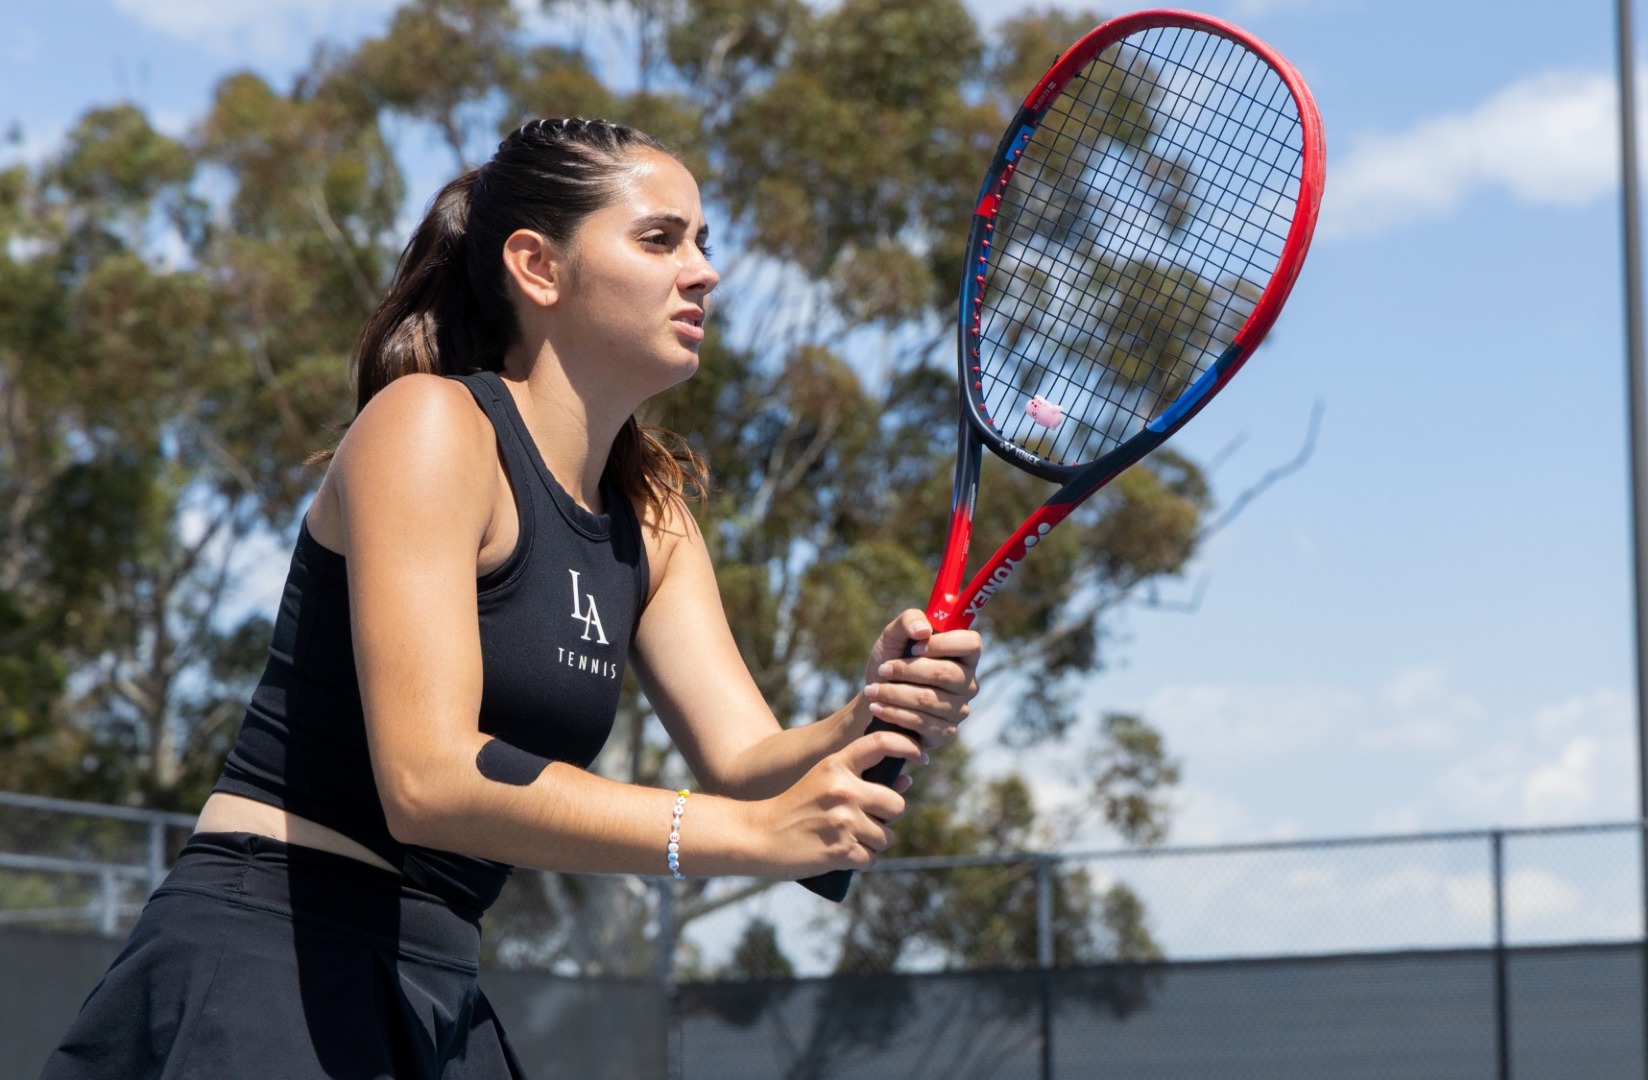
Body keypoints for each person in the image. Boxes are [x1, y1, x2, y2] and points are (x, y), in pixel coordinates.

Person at [42, 117, 981, 1079]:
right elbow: (430, 780)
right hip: (268, 947)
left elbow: (747, 764)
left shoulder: (653, 518)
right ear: (538, 266)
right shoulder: (431, 425)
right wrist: (745, 838)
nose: (703, 272)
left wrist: (866, 713)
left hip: (438, 968)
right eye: (661, 239)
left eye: (703, 242)